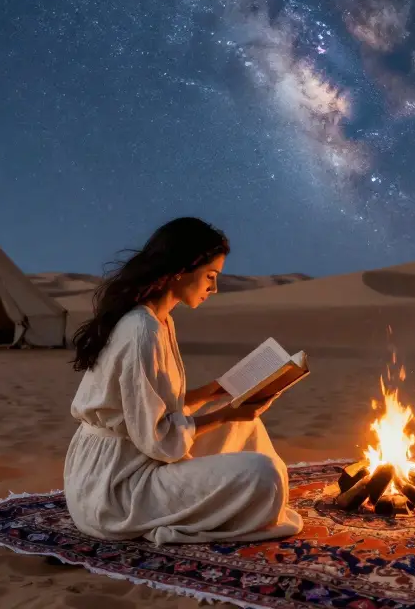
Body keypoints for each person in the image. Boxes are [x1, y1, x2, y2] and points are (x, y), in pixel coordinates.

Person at [63, 217, 303, 544]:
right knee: (265, 474)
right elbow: (159, 438)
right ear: (181, 270)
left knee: (246, 427)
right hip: (116, 488)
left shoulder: (160, 321)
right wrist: (224, 414)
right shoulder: (141, 331)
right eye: (210, 276)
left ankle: (241, 501)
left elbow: (154, 406)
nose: (214, 288)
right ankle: (241, 504)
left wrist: (216, 392)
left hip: (135, 456)